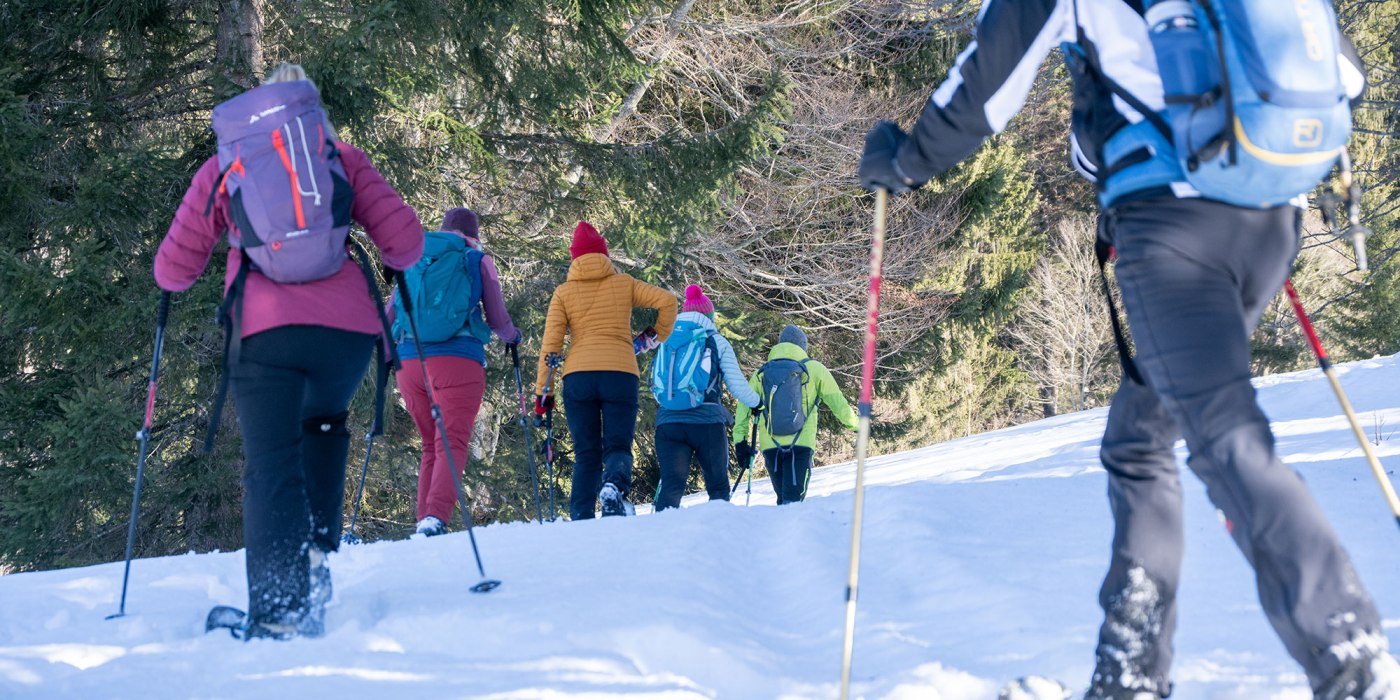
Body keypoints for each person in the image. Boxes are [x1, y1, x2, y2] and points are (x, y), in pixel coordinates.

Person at [857, 3, 1396, 698]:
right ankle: (1129, 672)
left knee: (1224, 438)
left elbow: (987, 85)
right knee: (1140, 438)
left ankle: (1349, 658)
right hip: (1271, 221)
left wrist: (903, 159)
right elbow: (1347, 80)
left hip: (1172, 227)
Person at [154, 63, 423, 638]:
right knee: (323, 425)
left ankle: (278, 611)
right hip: (346, 334)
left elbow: (174, 271)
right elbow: (406, 244)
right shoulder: (339, 156)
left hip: (264, 332)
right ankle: (315, 559)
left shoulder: (228, 163)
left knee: (272, 459)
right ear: (310, 107)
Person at [390, 208, 521, 537]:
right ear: (473, 236)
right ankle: (434, 518)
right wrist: (514, 337)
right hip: (457, 360)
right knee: (451, 441)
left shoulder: (413, 259)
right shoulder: (476, 260)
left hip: (409, 362)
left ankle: (425, 520)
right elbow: (498, 320)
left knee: (431, 444)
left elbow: (389, 314)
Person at [534, 221, 677, 519]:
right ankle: (613, 486)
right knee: (617, 444)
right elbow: (668, 301)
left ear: (574, 258)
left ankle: (581, 516)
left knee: (586, 452)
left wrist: (542, 393)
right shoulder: (624, 283)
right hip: (619, 372)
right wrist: (652, 336)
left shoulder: (563, 293)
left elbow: (551, 346)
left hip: (578, 377)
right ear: (604, 254)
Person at [651, 284, 763, 510]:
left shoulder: (667, 339)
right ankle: (719, 538)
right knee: (718, 486)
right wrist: (758, 403)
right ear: (709, 315)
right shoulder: (716, 341)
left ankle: (660, 537)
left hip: (668, 422)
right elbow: (737, 386)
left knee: (672, 486)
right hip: (706, 423)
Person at [732, 325, 857, 505]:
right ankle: (789, 531)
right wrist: (857, 425)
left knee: (783, 500)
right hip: (801, 445)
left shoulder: (761, 373)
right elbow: (837, 402)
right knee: (793, 503)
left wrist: (740, 442)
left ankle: (780, 531)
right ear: (802, 347)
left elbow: (743, 408)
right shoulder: (814, 369)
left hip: (771, 447)